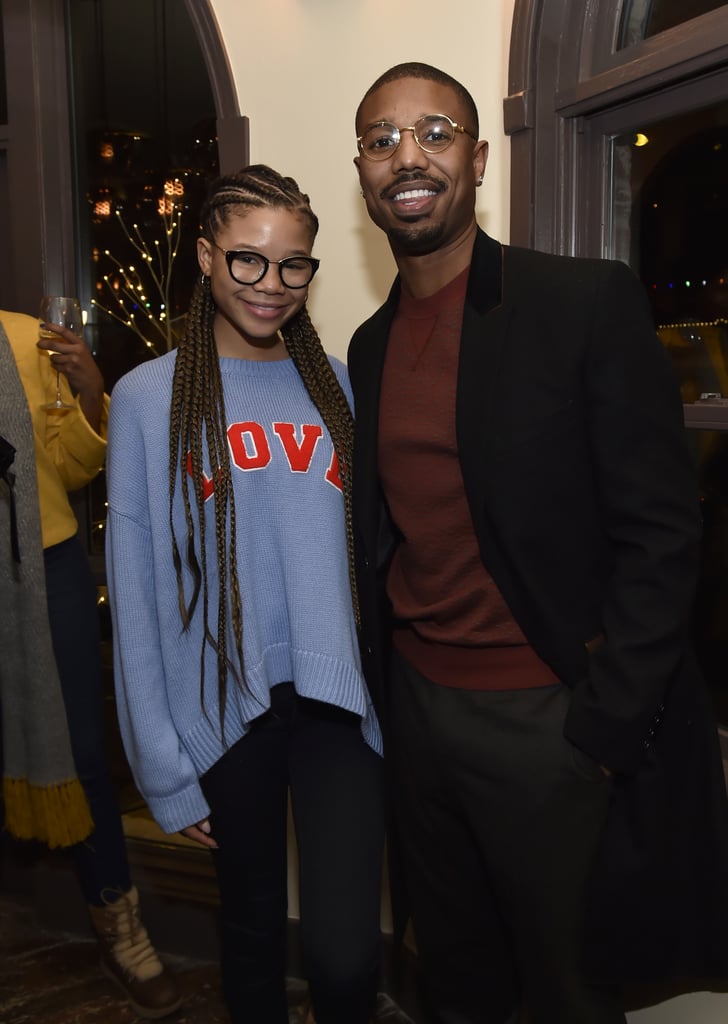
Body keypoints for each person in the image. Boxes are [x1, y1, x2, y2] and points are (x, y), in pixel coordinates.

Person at [348, 61, 728, 1024]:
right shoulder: (370, 344)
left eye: (434, 133)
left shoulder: (580, 302)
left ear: (478, 159)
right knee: (459, 980)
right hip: (421, 716)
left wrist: (603, 727)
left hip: (545, 723)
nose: (409, 158)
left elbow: (662, 529)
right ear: (362, 171)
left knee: (567, 993)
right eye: (383, 139)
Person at [105, 164, 385, 1024]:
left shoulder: (340, 383)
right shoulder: (148, 398)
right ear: (204, 257)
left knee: (344, 961)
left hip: (339, 705)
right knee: (255, 934)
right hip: (225, 708)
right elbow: (137, 590)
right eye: (248, 261)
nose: (272, 285)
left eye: (293, 264)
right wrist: (161, 763)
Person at [0, 309, 181, 1019]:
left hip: (43, 571)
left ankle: (123, 932)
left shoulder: (25, 338)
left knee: (80, 754)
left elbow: (74, 465)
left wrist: (89, 392)